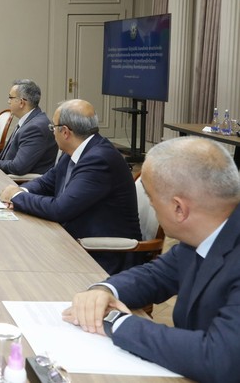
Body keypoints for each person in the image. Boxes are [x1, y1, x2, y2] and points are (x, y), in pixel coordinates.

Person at [62, 137, 240, 383]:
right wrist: (104, 290)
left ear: (179, 208)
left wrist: (116, 322)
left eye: (152, 201)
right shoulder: (202, 236)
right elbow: (154, 276)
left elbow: (220, 358)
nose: (152, 206)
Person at [0, 99, 140, 274]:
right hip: (72, 238)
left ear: (65, 132)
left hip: (102, 255)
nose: (52, 132)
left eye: (53, 127)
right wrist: (22, 190)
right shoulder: (76, 150)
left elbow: (60, 209)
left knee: (19, 260)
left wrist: (17, 197)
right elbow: (45, 182)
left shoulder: (99, 159)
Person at [0, 79, 57, 175]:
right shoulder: (28, 121)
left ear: (21, 102)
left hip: (19, 181)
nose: (8, 102)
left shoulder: (35, 128)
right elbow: (13, 157)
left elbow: (18, 168)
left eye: (10, 98)